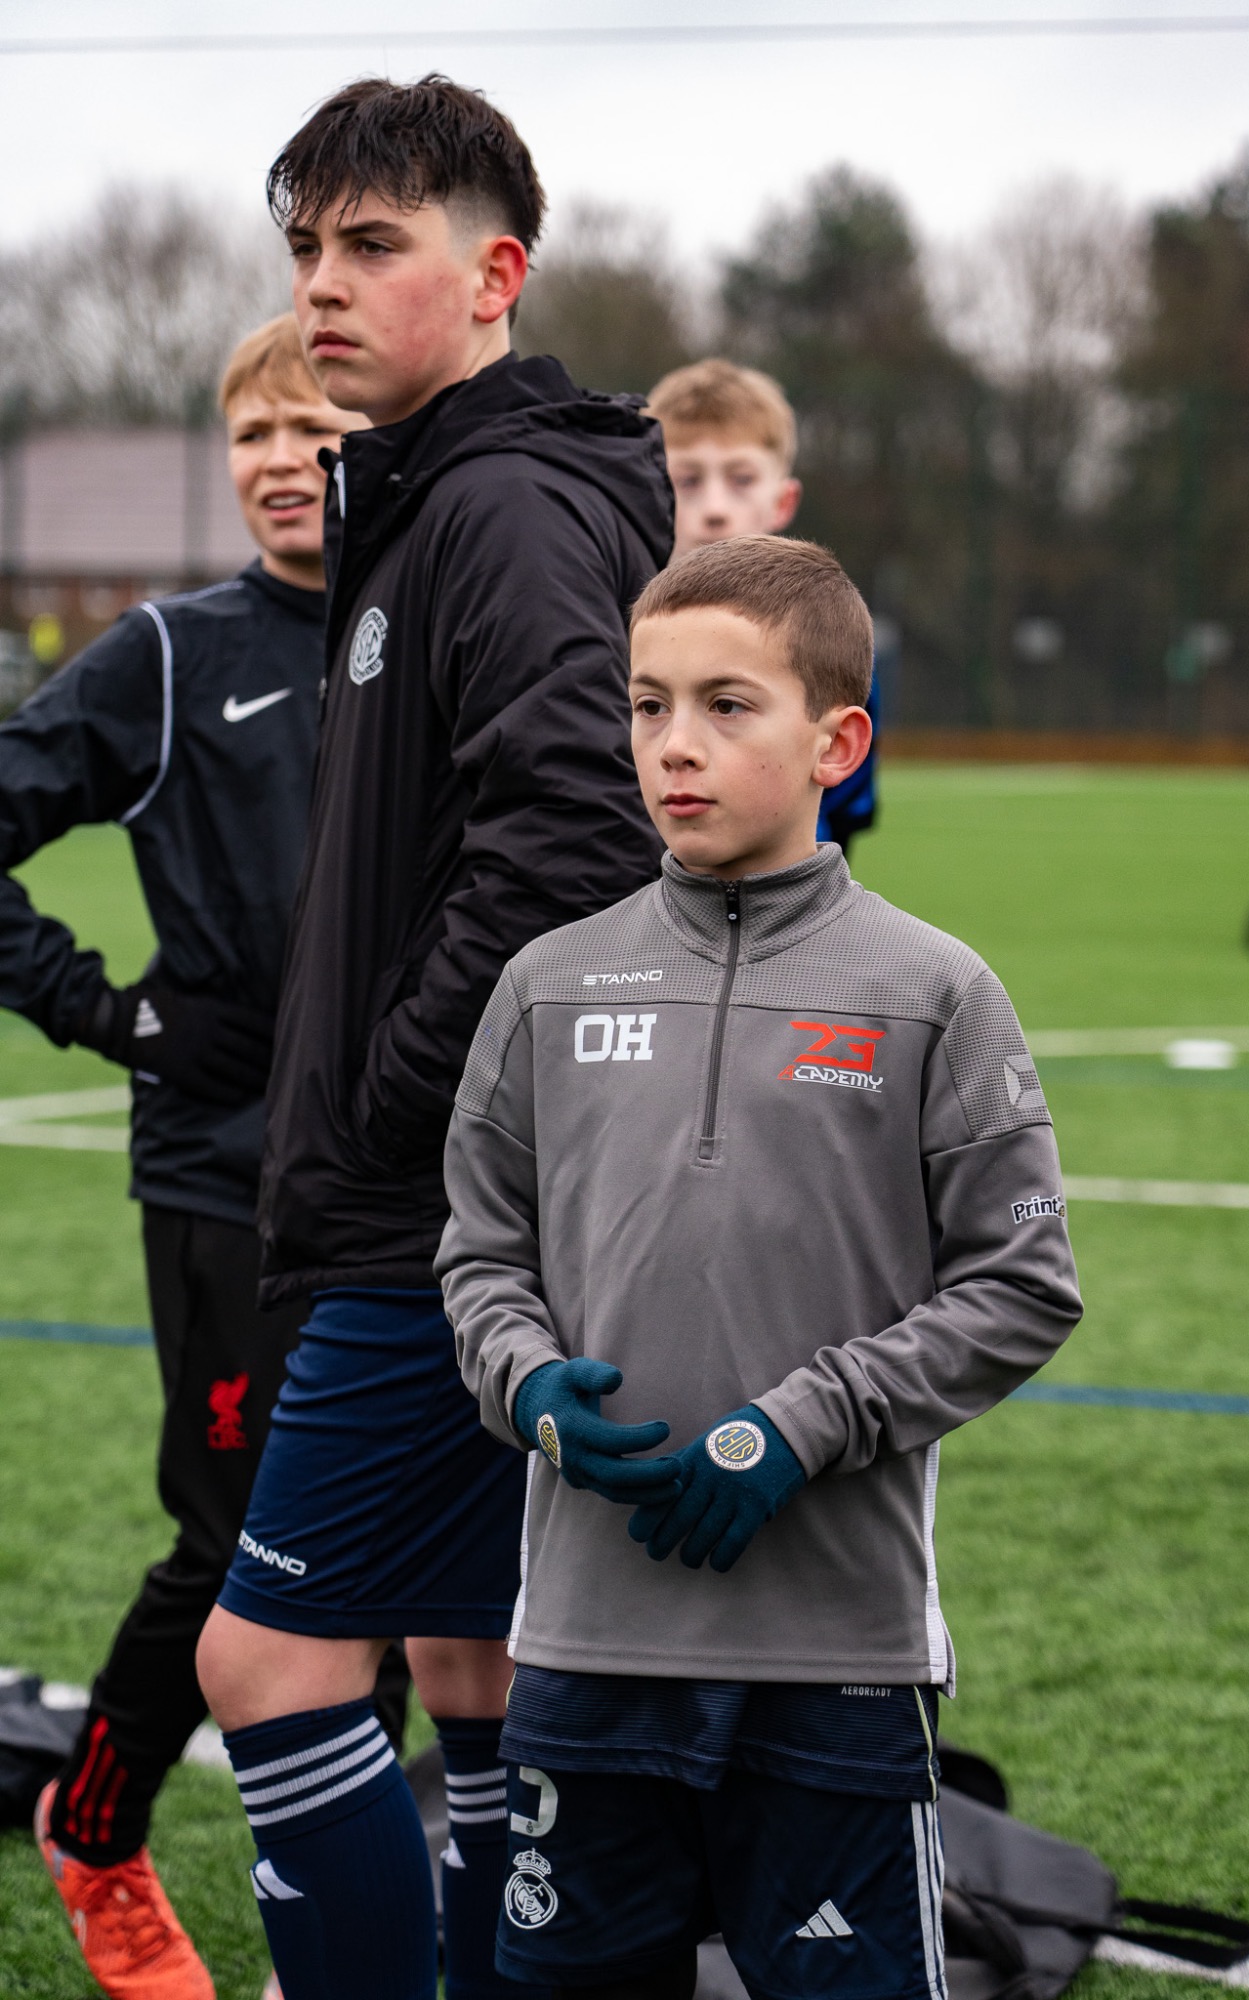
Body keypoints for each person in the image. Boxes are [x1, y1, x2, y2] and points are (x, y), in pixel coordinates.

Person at [440, 534, 1083, 2000]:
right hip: (586, 1644)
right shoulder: (546, 985)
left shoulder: (934, 991)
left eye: (727, 705)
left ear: (836, 743)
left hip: (834, 1652)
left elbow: (1021, 1282)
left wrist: (802, 1422)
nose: (675, 744)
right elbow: (479, 1250)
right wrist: (526, 1382)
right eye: (647, 705)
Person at [194, 74, 674, 2000]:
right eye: (305, 246)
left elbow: (575, 835)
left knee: (266, 1664)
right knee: (470, 1657)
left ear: (493, 276)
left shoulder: (496, 507)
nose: (320, 283)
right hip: (475, 1209)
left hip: (434, 1218)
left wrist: (399, 1101)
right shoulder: (433, 497)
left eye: (371, 244)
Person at [0, 315, 367, 1999]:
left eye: (315, 431)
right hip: (227, 1179)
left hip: (419, 1181)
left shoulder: (444, 637)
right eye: (252, 435)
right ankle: (93, 1827)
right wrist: (107, 1013)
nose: (280, 462)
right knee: (233, 1546)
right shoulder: (165, 654)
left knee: (396, 1557)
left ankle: (344, 1909)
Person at [648, 356, 882, 855]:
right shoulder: (615, 628)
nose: (714, 508)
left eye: (741, 479)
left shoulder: (829, 635)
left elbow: (847, 801)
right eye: (688, 480)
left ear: (783, 500)